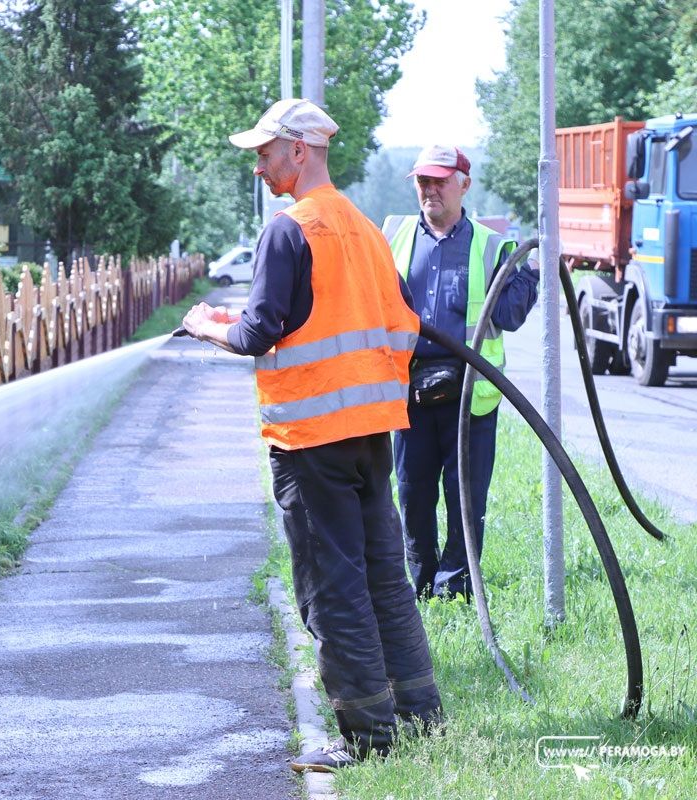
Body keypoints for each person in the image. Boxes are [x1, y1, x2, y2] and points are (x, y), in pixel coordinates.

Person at [183, 98, 442, 772]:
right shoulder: (363, 227)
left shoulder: (287, 230)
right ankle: (419, 717)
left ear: (300, 150)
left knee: (334, 587)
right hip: (369, 435)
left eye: (267, 153)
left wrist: (205, 325)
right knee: (385, 579)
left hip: (310, 440)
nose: (261, 166)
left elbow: (257, 334)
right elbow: (390, 325)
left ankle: (366, 738)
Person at [381, 145, 539, 600]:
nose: (430, 190)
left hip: (471, 394)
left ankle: (456, 587)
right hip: (409, 388)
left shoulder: (492, 246)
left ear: (464, 184)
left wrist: (530, 276)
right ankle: (422, 585)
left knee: (465, 497)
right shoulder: (394, 235)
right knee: (413, 494)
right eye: (422, 182)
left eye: (440, 181)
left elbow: (506, 317)